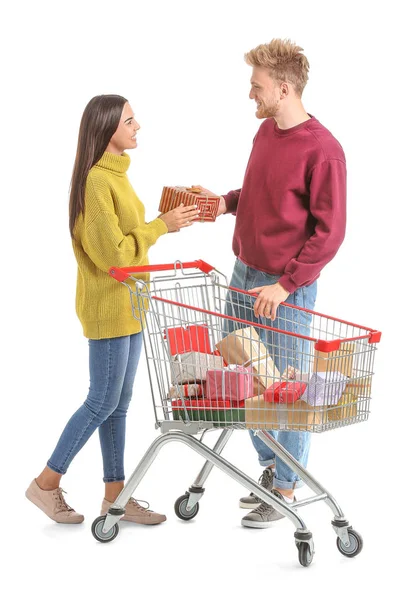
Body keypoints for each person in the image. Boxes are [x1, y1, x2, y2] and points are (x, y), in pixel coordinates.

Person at [26, 94, 200, 525]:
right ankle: (45, 484)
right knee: (100, 401)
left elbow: (127, 236)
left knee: (118, 405)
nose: (138, 125)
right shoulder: (96, 182)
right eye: (129, 120)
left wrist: (163, 217)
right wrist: (162, 226)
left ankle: (115, 497)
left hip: (131, 307)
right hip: (108, 307)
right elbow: (115, 256)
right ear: (107, 130)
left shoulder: (116, 176)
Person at [205, 38, 346, 528]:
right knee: (242, 379)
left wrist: (287, 285)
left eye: (257, 87)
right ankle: (271, 470)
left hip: (283, 290)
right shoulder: (266, 132)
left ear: (283, 89)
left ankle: (286, 486)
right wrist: (224, 203)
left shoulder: (323, 151)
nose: (251, 95)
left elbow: (330, 233)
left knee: (287, 389)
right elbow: (262, 193)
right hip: (244, 275)